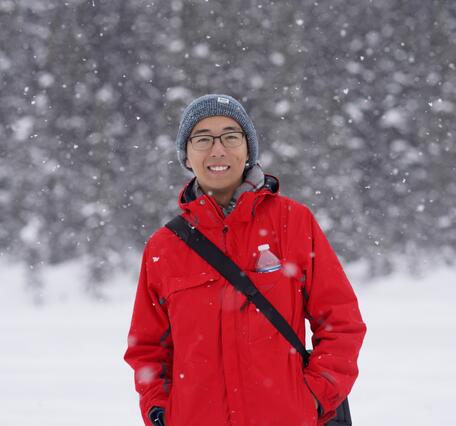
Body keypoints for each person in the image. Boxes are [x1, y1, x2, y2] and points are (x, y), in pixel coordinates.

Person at [124, 94, 366, 426]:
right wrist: (161, 411)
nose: (217, 149)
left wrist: (314, 396)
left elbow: (341, 322)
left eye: (230, 136)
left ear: (248, 148)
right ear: (186, 154)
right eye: (203, 138)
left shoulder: (293, 222)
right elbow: (148, 349)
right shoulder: (164, 247)